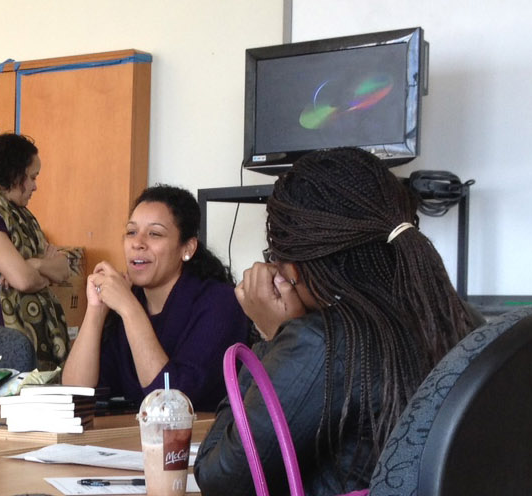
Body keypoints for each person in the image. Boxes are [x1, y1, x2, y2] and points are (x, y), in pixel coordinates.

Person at [194, 148, 480, 495]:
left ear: (299, 267)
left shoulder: (319, 343)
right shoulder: (466, 321)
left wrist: (273, 338)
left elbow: (219, 478)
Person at [61, 185, 249, 412]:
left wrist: (129, 308)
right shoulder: (130, 300)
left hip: (203, 441)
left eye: (155, 234)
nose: (137, 243)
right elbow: (76, 394)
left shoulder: (220, 302)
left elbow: (172, 403)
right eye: (131, 232)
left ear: (187, 248)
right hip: (138, 442)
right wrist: (96, 311)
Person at [0, 133, 73, 370]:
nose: (35, 186)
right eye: (31, 177)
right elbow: (23, 280)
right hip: (6, 338)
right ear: (12, 174)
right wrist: (38, 267)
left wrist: (35, 264)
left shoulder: (20, 215)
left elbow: (64, 270)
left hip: (38, 332)